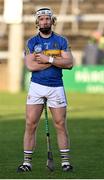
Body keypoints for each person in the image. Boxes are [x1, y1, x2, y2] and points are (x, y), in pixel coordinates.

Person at [17, 7, 74, 172]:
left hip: (56, 87)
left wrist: (46, 58)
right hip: (37, 87)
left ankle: (65, 162)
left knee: (61, 124)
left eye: (47, 19)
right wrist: (56, 60)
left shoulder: (61, 41)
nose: (44, 21)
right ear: (37, 22)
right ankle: (27, 162)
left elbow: (69, 64)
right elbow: (30, 66)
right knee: (30, 124)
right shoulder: (32, 42)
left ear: (52, 21)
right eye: (41, 19)